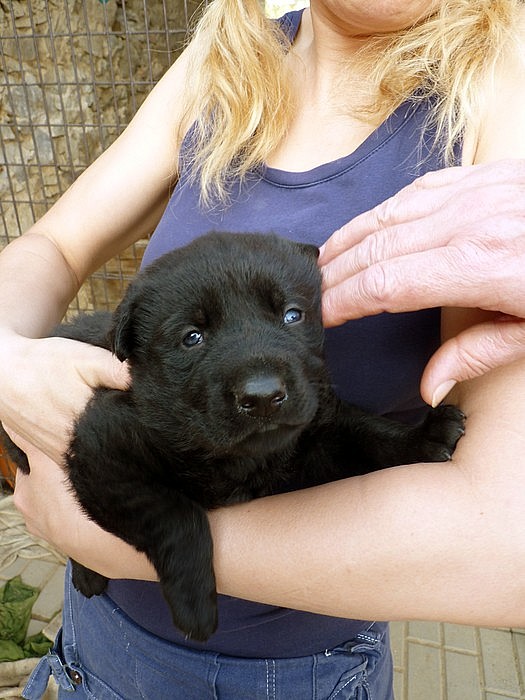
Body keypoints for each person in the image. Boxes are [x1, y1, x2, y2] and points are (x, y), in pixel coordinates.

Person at [1, 1, 525, 697]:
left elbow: (507, 547)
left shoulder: (495, 88)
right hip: (96, 638)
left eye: (290, 314)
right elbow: (55, 245)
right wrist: (5, 359)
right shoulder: (227, 60)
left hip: (284, 673)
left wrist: (143, 541)